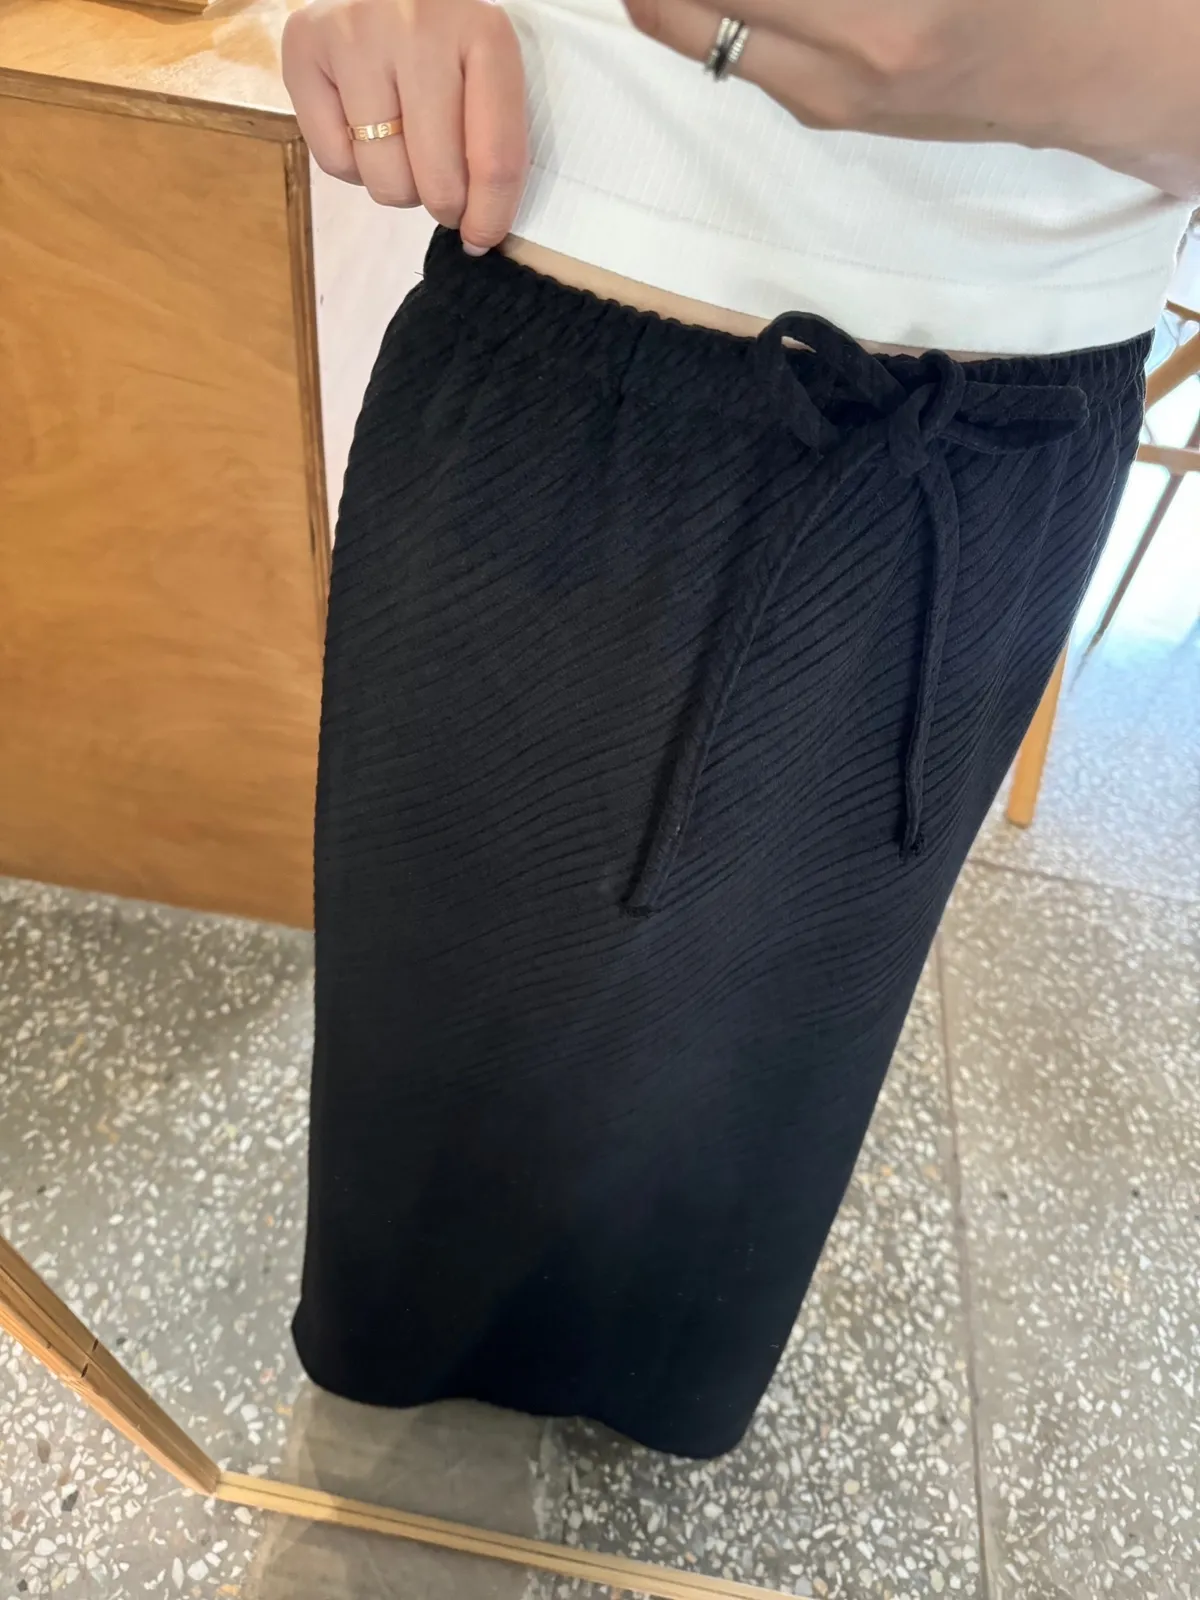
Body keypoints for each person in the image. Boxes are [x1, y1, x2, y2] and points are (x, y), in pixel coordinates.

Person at [282, 0, 1194, 1459]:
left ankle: (654, 1387)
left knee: (773, 1067)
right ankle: (396, 1380)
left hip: (1004, 405)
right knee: (435, 1026)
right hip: (564, 268)